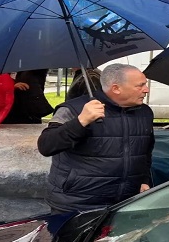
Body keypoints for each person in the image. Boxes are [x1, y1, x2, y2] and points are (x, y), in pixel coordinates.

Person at [37, 64, 154, 213]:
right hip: (76, 204)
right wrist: (81, 121)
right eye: (140, 85)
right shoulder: (73, 109)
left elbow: (145, 152)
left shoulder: (144, 113)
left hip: (124, 203)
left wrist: (144, 180)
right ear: (116, 88)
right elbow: (46, 146)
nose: (146, 90)